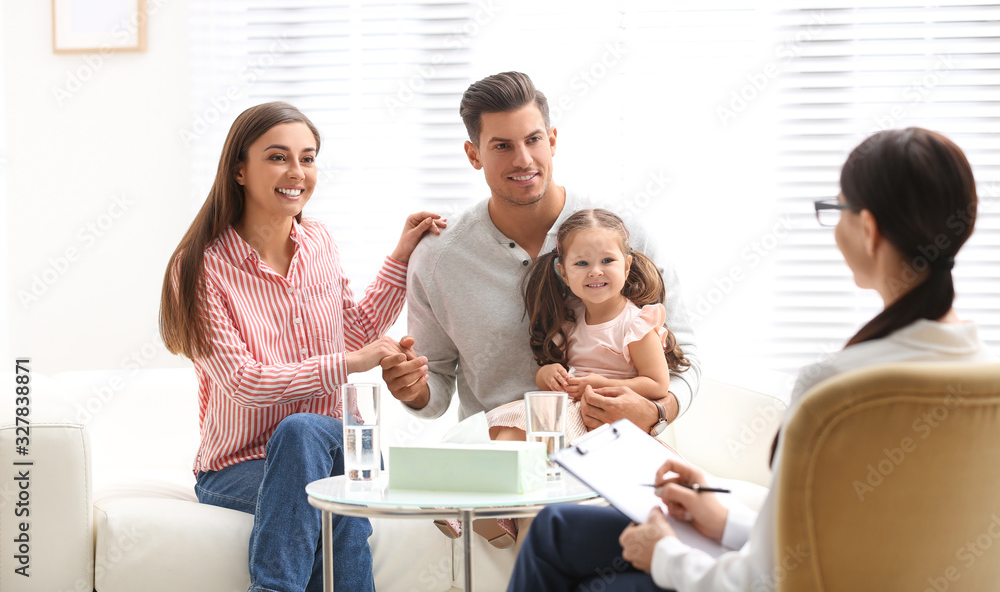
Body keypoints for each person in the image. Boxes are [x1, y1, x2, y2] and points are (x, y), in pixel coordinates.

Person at [506, 126, 997, 591]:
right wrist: (721, 517)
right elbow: (833, 542)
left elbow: (764, 580)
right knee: (563, 530)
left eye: (838, 209)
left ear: (866, 229)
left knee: (585, 561)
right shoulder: (985, 379)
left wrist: (666, 555)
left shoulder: (838, 389)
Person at [380, 71, 702, 547]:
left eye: (533, 140)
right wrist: (411, 390)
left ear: (552, 140)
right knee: (543, 518)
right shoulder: (439, 258)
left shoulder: (619, 235)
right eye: (502, 146)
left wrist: (655, 411)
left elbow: (686, 353)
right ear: (473, 154)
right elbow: (437, 390)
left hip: (617, 446)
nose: (524, 159)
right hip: (508, 467)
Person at [158, 101, 444, 592]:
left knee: (311, 438)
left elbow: (351, 330)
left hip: (333, 450)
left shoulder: (319, 243)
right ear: (239, 170)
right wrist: (354, 362)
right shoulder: (200, 267)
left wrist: (401, 257)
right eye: (278, 157)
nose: (297, 172)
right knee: (334, 503)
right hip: (237, 466)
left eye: (307, 158)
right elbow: (245, 383)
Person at [488, 208, 690, 443]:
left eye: (607, 261)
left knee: (521, 439)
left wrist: (601, 384)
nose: (595, 271)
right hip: (570, 411)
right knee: (508, 434)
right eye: (582, 263)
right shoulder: (570, 319)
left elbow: (657, 384)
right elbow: (548, 378)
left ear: (626, 266)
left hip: (606, 418)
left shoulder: (636, 324)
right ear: (564, 274)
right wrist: (548, 374)